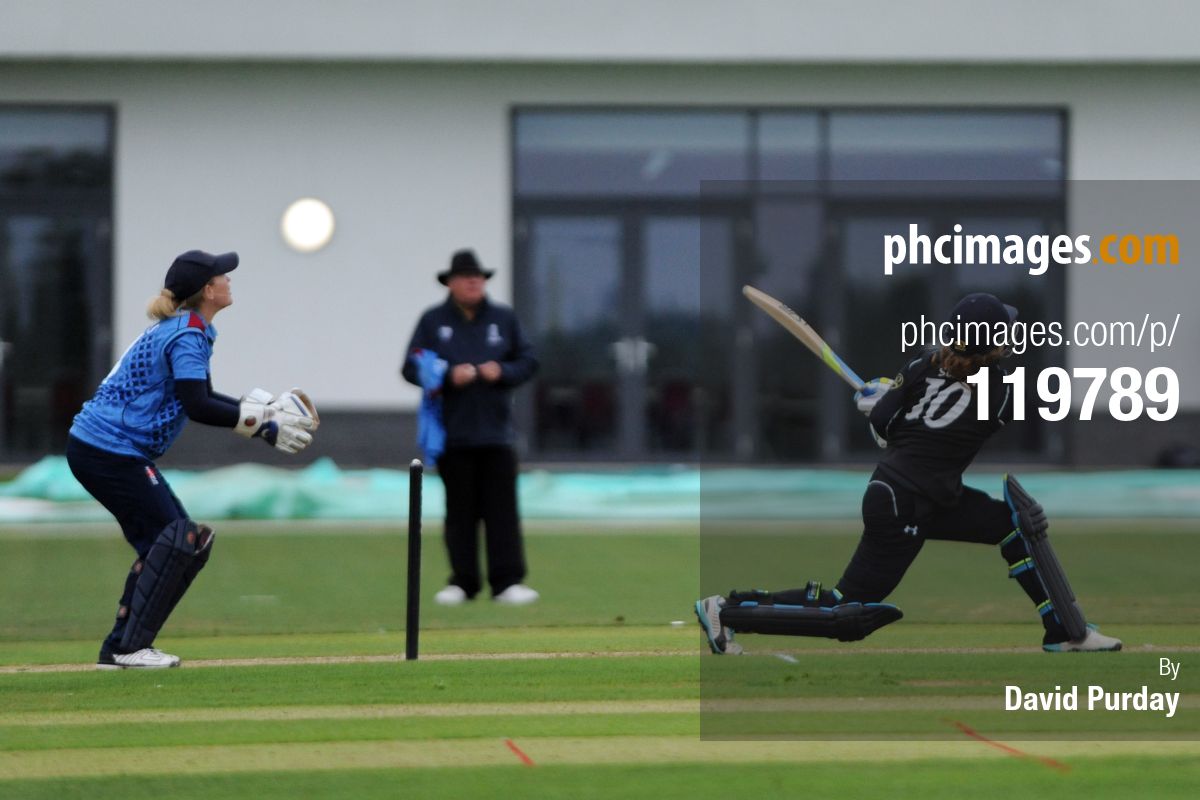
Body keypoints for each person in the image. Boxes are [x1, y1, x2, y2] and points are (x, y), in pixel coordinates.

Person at [696, 292, 1122, 655]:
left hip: (924, 493)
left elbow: (886, 426)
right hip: (904, 503)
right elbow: (944, 420)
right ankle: (728, 611)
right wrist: (888, 407)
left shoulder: (921, 364)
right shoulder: (999, 388)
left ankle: (1065, 631)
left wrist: (880, 402)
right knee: (845, 610)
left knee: (1014, 525)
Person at [67, 250, 318, 669]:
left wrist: (260, 417)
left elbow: (202, 395)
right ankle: (129, 648)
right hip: (108, 447)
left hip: (105, 448)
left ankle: (120, 647)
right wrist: (261, 423)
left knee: (185, 544)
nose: (228, 280)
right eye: (223, 276)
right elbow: (197, 405)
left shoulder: (187, 328)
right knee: (176, 539)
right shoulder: (187, 333)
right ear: (207, 290)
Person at [401, 249, 540, 606]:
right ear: (451, 283)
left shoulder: (503, 318)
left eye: (479, 277)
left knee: (502, 511)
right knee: (459, 512)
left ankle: (507, 582)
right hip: (453, 432)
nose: (474, 282)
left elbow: (528, 361)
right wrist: (449, 376)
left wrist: (502, 371)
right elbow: (411, 367)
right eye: (466, 277)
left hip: (497, 432)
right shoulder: (434, 321)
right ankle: (463, 582)